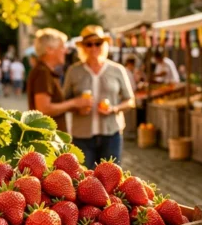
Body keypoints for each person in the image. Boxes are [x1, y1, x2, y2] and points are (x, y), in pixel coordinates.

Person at [63, 25, 135, 168]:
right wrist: (77, 107)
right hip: (81, 135)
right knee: (83, 181)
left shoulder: (117, 70)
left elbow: (130, 101)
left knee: (111, 181)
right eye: (89, 44)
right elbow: (65, 101)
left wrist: (114, 109)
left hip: (111, 134)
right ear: (83, 48)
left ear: (104, 45)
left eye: (98, 43)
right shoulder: (73, 71)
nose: (93, 47)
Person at [27, 28, 91, 132]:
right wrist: (74, 103)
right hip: (47, 138)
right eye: (62, 47)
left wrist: (76, 106)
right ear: (49, 49)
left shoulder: (46, 71)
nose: (66, 51)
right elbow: (44, 109)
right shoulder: (42, 72)